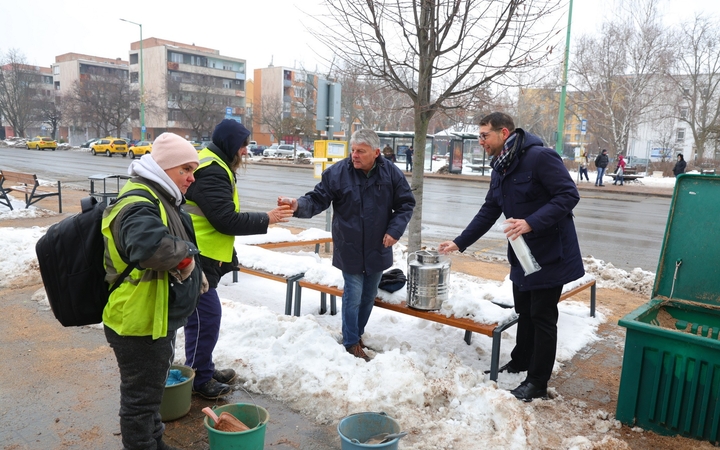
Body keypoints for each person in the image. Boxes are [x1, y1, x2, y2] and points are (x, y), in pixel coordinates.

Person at [437, 112, 583, 402]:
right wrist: (460, 242)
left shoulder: (540, 157)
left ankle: (537, 382)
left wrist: (531, 222)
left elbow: (568, 195)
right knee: (524, 311)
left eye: (484, 135)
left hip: (550, 253)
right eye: (479, 136)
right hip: (522, 254)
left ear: (504, 133)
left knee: (542, 318)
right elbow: (489, 210)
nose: (480, 141)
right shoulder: (500, 166)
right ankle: (520, 361)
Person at [102, 132, 206, 450]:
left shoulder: (158, 196)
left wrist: (195, 272)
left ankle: (156, 442)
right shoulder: (139, 202)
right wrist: (187, 258)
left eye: (193, 170)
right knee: (140, 403)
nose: (191, 178)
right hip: (138, 323)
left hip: (152, 318)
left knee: (151, 397)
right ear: (164, 167)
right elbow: (148, 247)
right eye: (185, 169)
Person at [278, 129, 415, 361]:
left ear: (376, 152)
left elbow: (405, 204)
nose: (355, 155)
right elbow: (317, 199)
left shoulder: (391, 173)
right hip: (349, 246)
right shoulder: (337, 173)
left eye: (361, 151)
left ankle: (356, 334)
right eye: (353, 150)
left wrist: (394, 230)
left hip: (378, 246)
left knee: (369, 295)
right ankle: (351, 342)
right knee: (353, 295)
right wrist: (297, 205)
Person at [183, 119, 293, 399]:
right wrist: (267, 218)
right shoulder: (212, 170)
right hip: (196, 255)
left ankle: (202, 369)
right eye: (242, 145)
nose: (246, 151)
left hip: (202, 253)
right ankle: (199, 379)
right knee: (206, 317)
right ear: (230, 144)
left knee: (202, 318)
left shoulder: (215, 163)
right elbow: (225, 219)